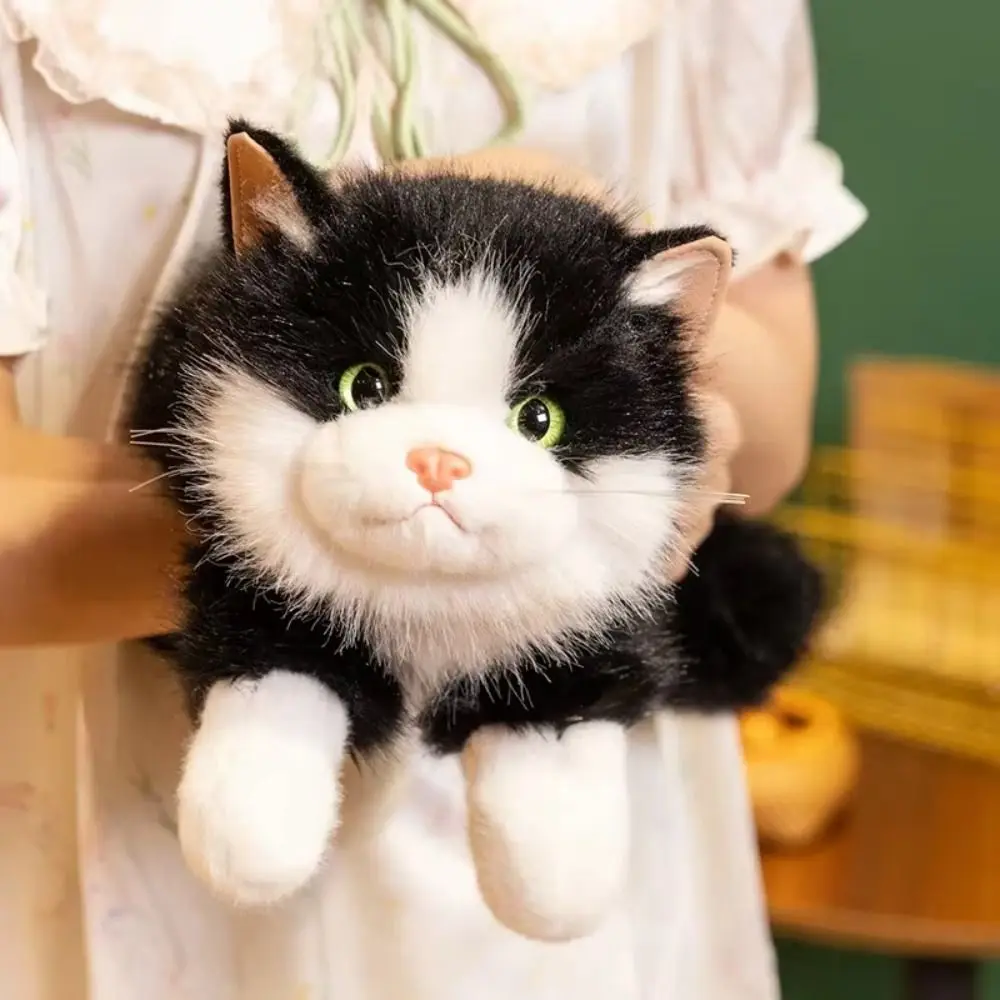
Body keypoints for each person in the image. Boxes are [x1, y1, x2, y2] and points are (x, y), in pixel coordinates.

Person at [0, 1, 866, 997]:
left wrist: (601, 276)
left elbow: (775, 430)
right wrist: (300, 544)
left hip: (584, 772)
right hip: (121, 805)